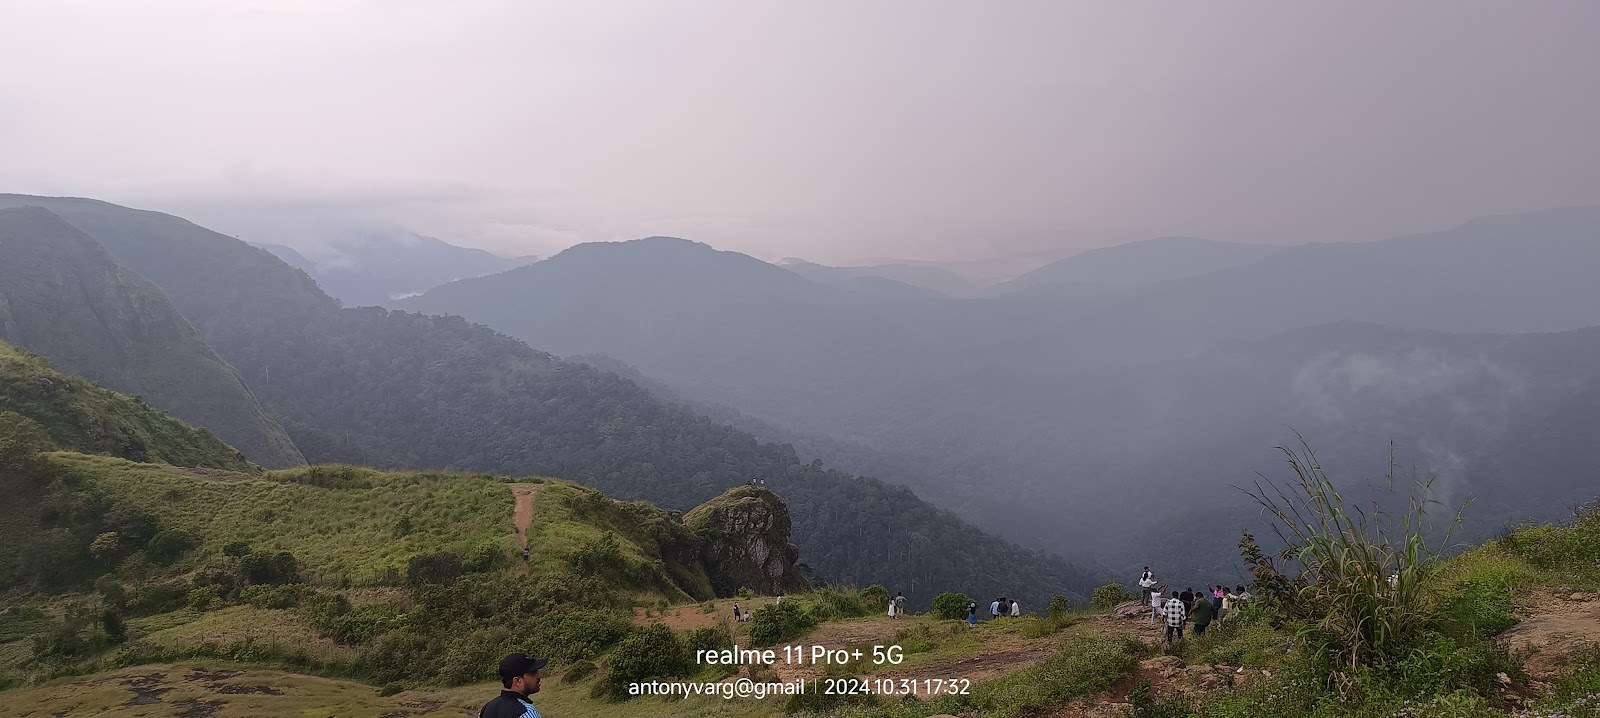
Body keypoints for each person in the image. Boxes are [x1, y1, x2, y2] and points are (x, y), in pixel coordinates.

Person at [480, 653, 547, 718]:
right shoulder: (526, 711)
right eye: (533, 672)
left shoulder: (488, 707)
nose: (539, 675)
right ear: (518, 681)